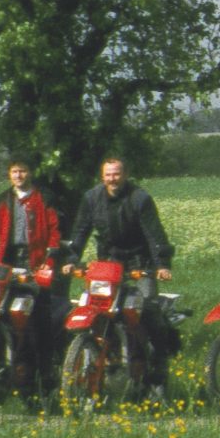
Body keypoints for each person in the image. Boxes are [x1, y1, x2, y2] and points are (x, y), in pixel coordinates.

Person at [60, 157, 179, 388]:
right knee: (95, 306)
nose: (112, 179)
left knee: (148, 308)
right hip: (108, 263)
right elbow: (81, 231)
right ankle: (99, 353)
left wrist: (161, 264)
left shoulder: (140, 198)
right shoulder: (92, 198)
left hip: (139, 262)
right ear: (102, 176)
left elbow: (154, 233)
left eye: (116, 174)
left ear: (125, 175)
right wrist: (72, 260)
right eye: (108, 175)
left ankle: (159, 365)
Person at [0, 157, 65, 380]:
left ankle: (41, 373)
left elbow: (55, 231)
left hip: (36, 262)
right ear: (9, 175)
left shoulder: (45, 198)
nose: (18, 176)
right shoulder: (3, 200)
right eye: (14, 172)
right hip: (7, 263)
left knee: (36, 319)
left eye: (22, 171)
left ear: (30, 173)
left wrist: (49, 261)